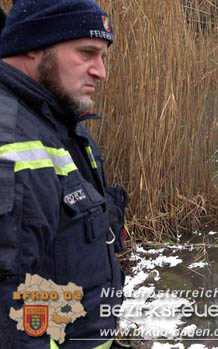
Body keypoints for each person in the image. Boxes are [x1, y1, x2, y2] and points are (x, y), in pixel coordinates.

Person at [0, 1, 127, 348]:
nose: (101, 72)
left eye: (102, 57)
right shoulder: (10, 143)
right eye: (87, 53)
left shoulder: (63, 125)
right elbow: (14, 328)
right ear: (33, 46)